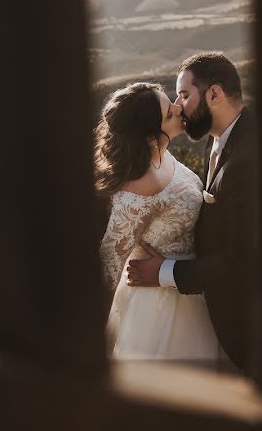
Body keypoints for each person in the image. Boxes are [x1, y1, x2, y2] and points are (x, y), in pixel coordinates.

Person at [126, 52, 257, 374]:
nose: (178, 104)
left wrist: (165, 272)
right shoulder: (219, 142)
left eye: (185, 94)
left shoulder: (250, 158)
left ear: (214, 94)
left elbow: (244, 260)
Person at [96, 82, 222, 364]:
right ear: (152, 137)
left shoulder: (160, 157)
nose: (179, 108)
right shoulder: (137, 189)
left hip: (189, 284)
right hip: (162, 309)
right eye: (169, 113)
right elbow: (108, 264)